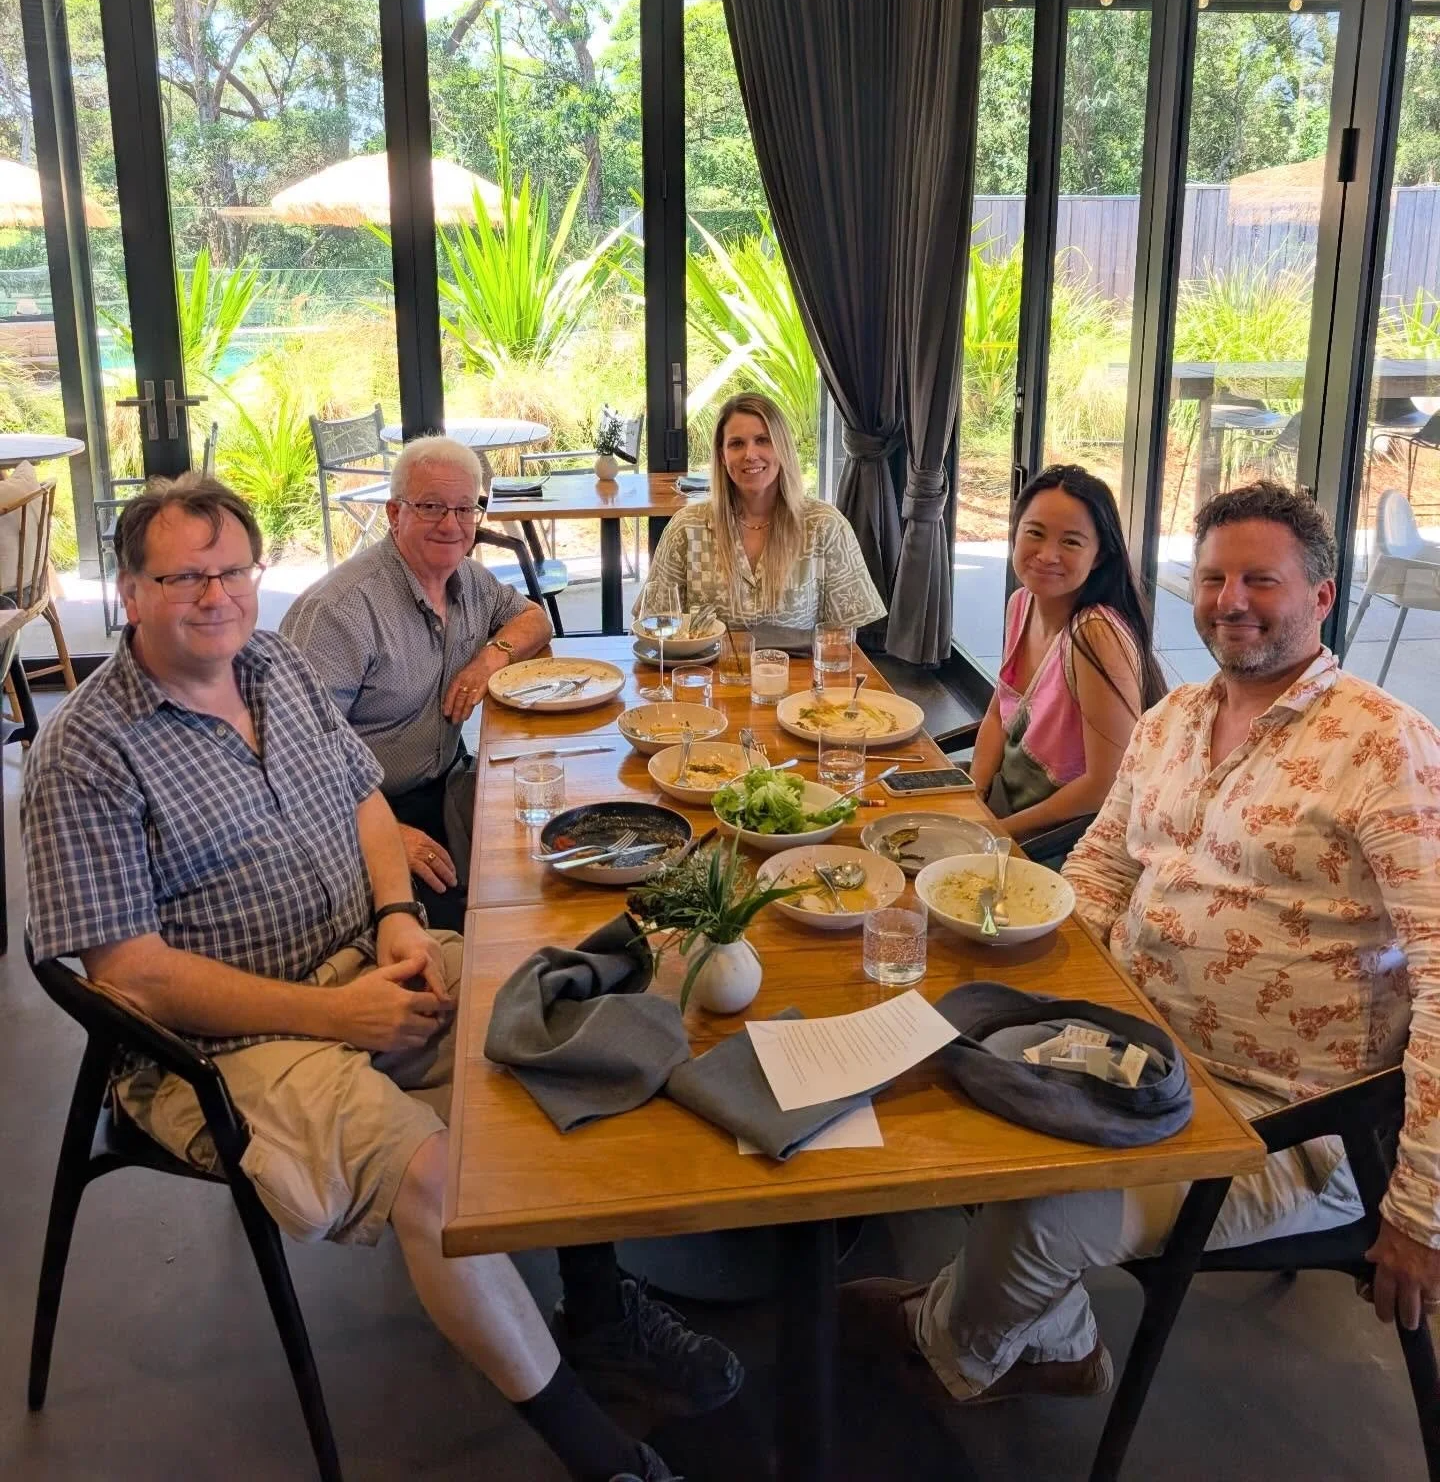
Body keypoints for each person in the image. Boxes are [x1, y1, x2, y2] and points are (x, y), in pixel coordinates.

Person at [21, 475, 738, 1482]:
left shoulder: (269, 661)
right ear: (128, 591)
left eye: (230, 570)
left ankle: (605, 1316)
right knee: (437, 1175)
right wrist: (338, 1014)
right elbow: (131, 976)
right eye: (181, 575)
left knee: (574, 1009)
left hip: (366, 960)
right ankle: (604, 1457)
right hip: (222, 1047)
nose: (213, 594)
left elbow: (363, 795)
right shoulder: (85, 753)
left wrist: (399, 919)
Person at [841, 481, 1440, 1418]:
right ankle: (1044, 1330)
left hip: (1281, 1120)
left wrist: (1421, 1210)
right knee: (944, 1076)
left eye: (1261, 581)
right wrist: (1002, 960)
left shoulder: (1382, 747)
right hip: (1127, 1046)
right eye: (1211, 578)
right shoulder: (1175, 723)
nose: (1230, 600)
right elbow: (1100, 873)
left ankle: (952, 1339)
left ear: (1321, 599)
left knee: (1041, 1201)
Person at [282, 435, 552, 932]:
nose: (451, 524)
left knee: (552, 867)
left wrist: (487, 662)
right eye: (431, 507)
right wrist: (381, 835)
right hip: (363, 816)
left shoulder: (466, 579)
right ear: (394, 513)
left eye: (464, 508)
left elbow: (535, 620)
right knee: (478, 936)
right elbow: (289, 764)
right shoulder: (340, 613)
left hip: (447, 784)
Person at [970, 465, 1166, 841]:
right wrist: (972, 795)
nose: (1046, 555)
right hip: (1005, 807)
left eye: (1071, 542)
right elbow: (999, 711)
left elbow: (1105, 785)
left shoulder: (1095, 633)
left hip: (1062, 839)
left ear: (1098, 556)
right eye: (1035, 533)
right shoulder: (1021, 603)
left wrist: (994, 835)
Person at [631, 391, 885, 636]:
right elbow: (653, 624)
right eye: (737, 444)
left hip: (797, 679)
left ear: (782, 448)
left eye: (763, 440)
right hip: (706, 677)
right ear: (722, 455)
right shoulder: (686, 528)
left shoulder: (826, 527)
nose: (750, 455)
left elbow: (843, 641)